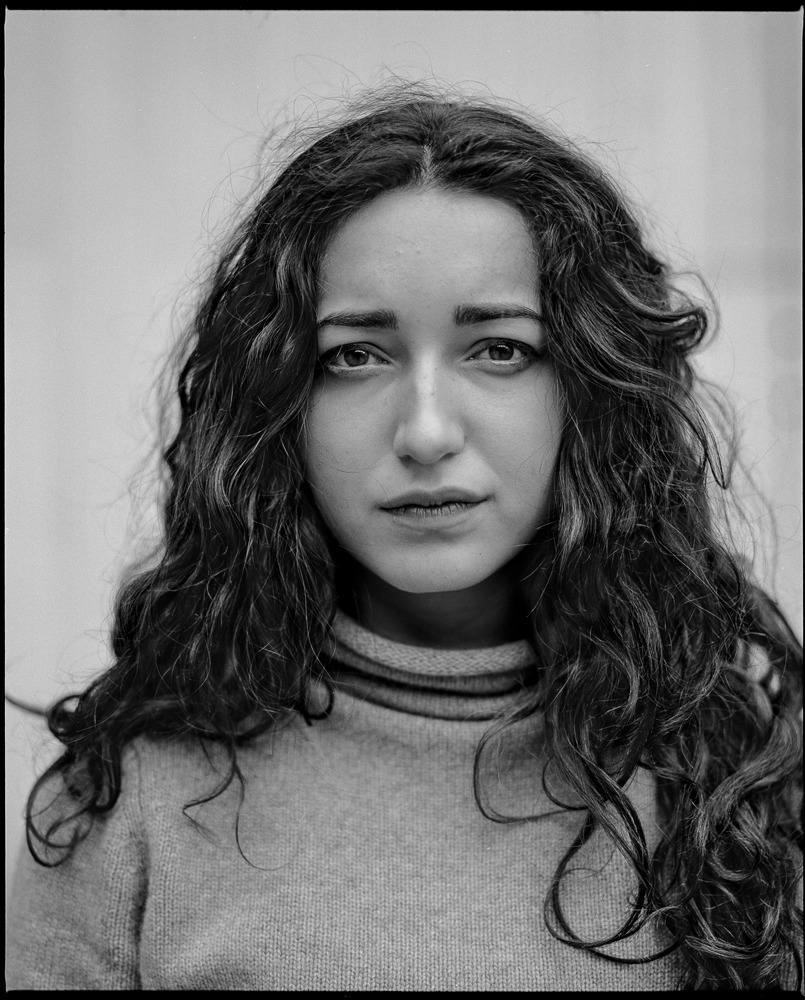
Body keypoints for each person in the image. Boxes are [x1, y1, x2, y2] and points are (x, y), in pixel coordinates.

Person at [6, 80, 802, 991]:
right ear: (277, 401)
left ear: (592, 390)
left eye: (499, 349)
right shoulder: (129, 805)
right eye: (354, 356)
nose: (425, 433)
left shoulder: (739, 792)